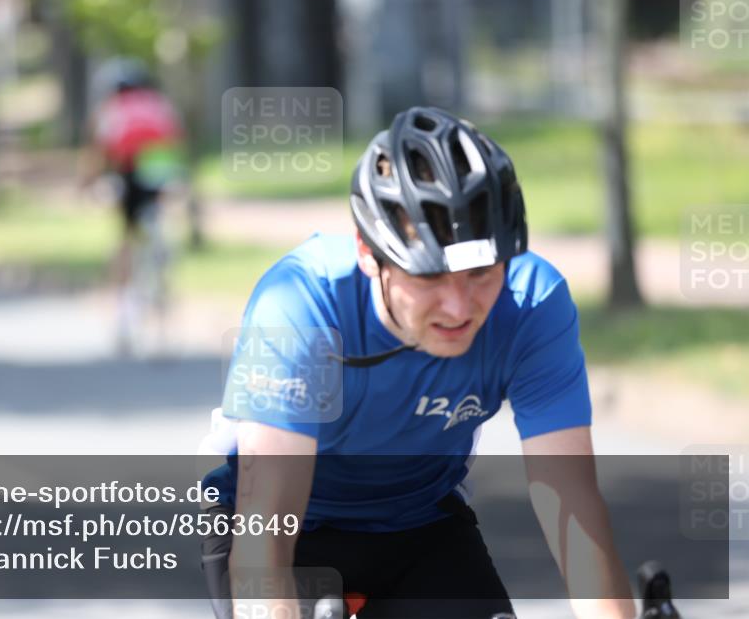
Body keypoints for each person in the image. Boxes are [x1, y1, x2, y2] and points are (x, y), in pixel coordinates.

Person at [200, 106, 636, 618]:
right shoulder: (301, 303)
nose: (458, 307)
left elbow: (571, 504)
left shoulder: (532, 304)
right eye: (428, 278)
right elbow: (266, 534)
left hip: (419, 527)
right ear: (369, 253)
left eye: (481, 273)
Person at [81, 58, 186, 354]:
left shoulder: (109, 109)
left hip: (127, 172)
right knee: (157, 221)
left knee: (125, 237)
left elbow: (98, 153)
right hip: (160, 171)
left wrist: (88, 183)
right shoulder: (160, 104)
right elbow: (177, 143)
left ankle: (124, 313)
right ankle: (162, 262)